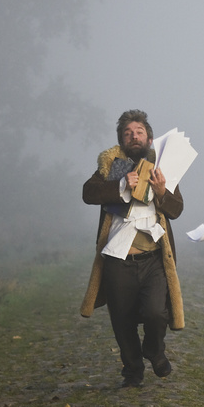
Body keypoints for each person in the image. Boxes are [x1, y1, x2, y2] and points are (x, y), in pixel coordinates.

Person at [80, 110, 185, 388]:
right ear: (121, 141)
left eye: (138, 131)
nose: (133, 136)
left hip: (153, 259)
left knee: (156, 312)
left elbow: (176, 210)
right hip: (117, 259)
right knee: (122, 318)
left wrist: (162, 192)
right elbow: (88, 193)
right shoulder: (110, 167)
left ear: (149, 139)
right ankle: (132, 371)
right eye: (127, 133)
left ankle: (153, 349)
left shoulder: (163, 169)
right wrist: (121, 185)